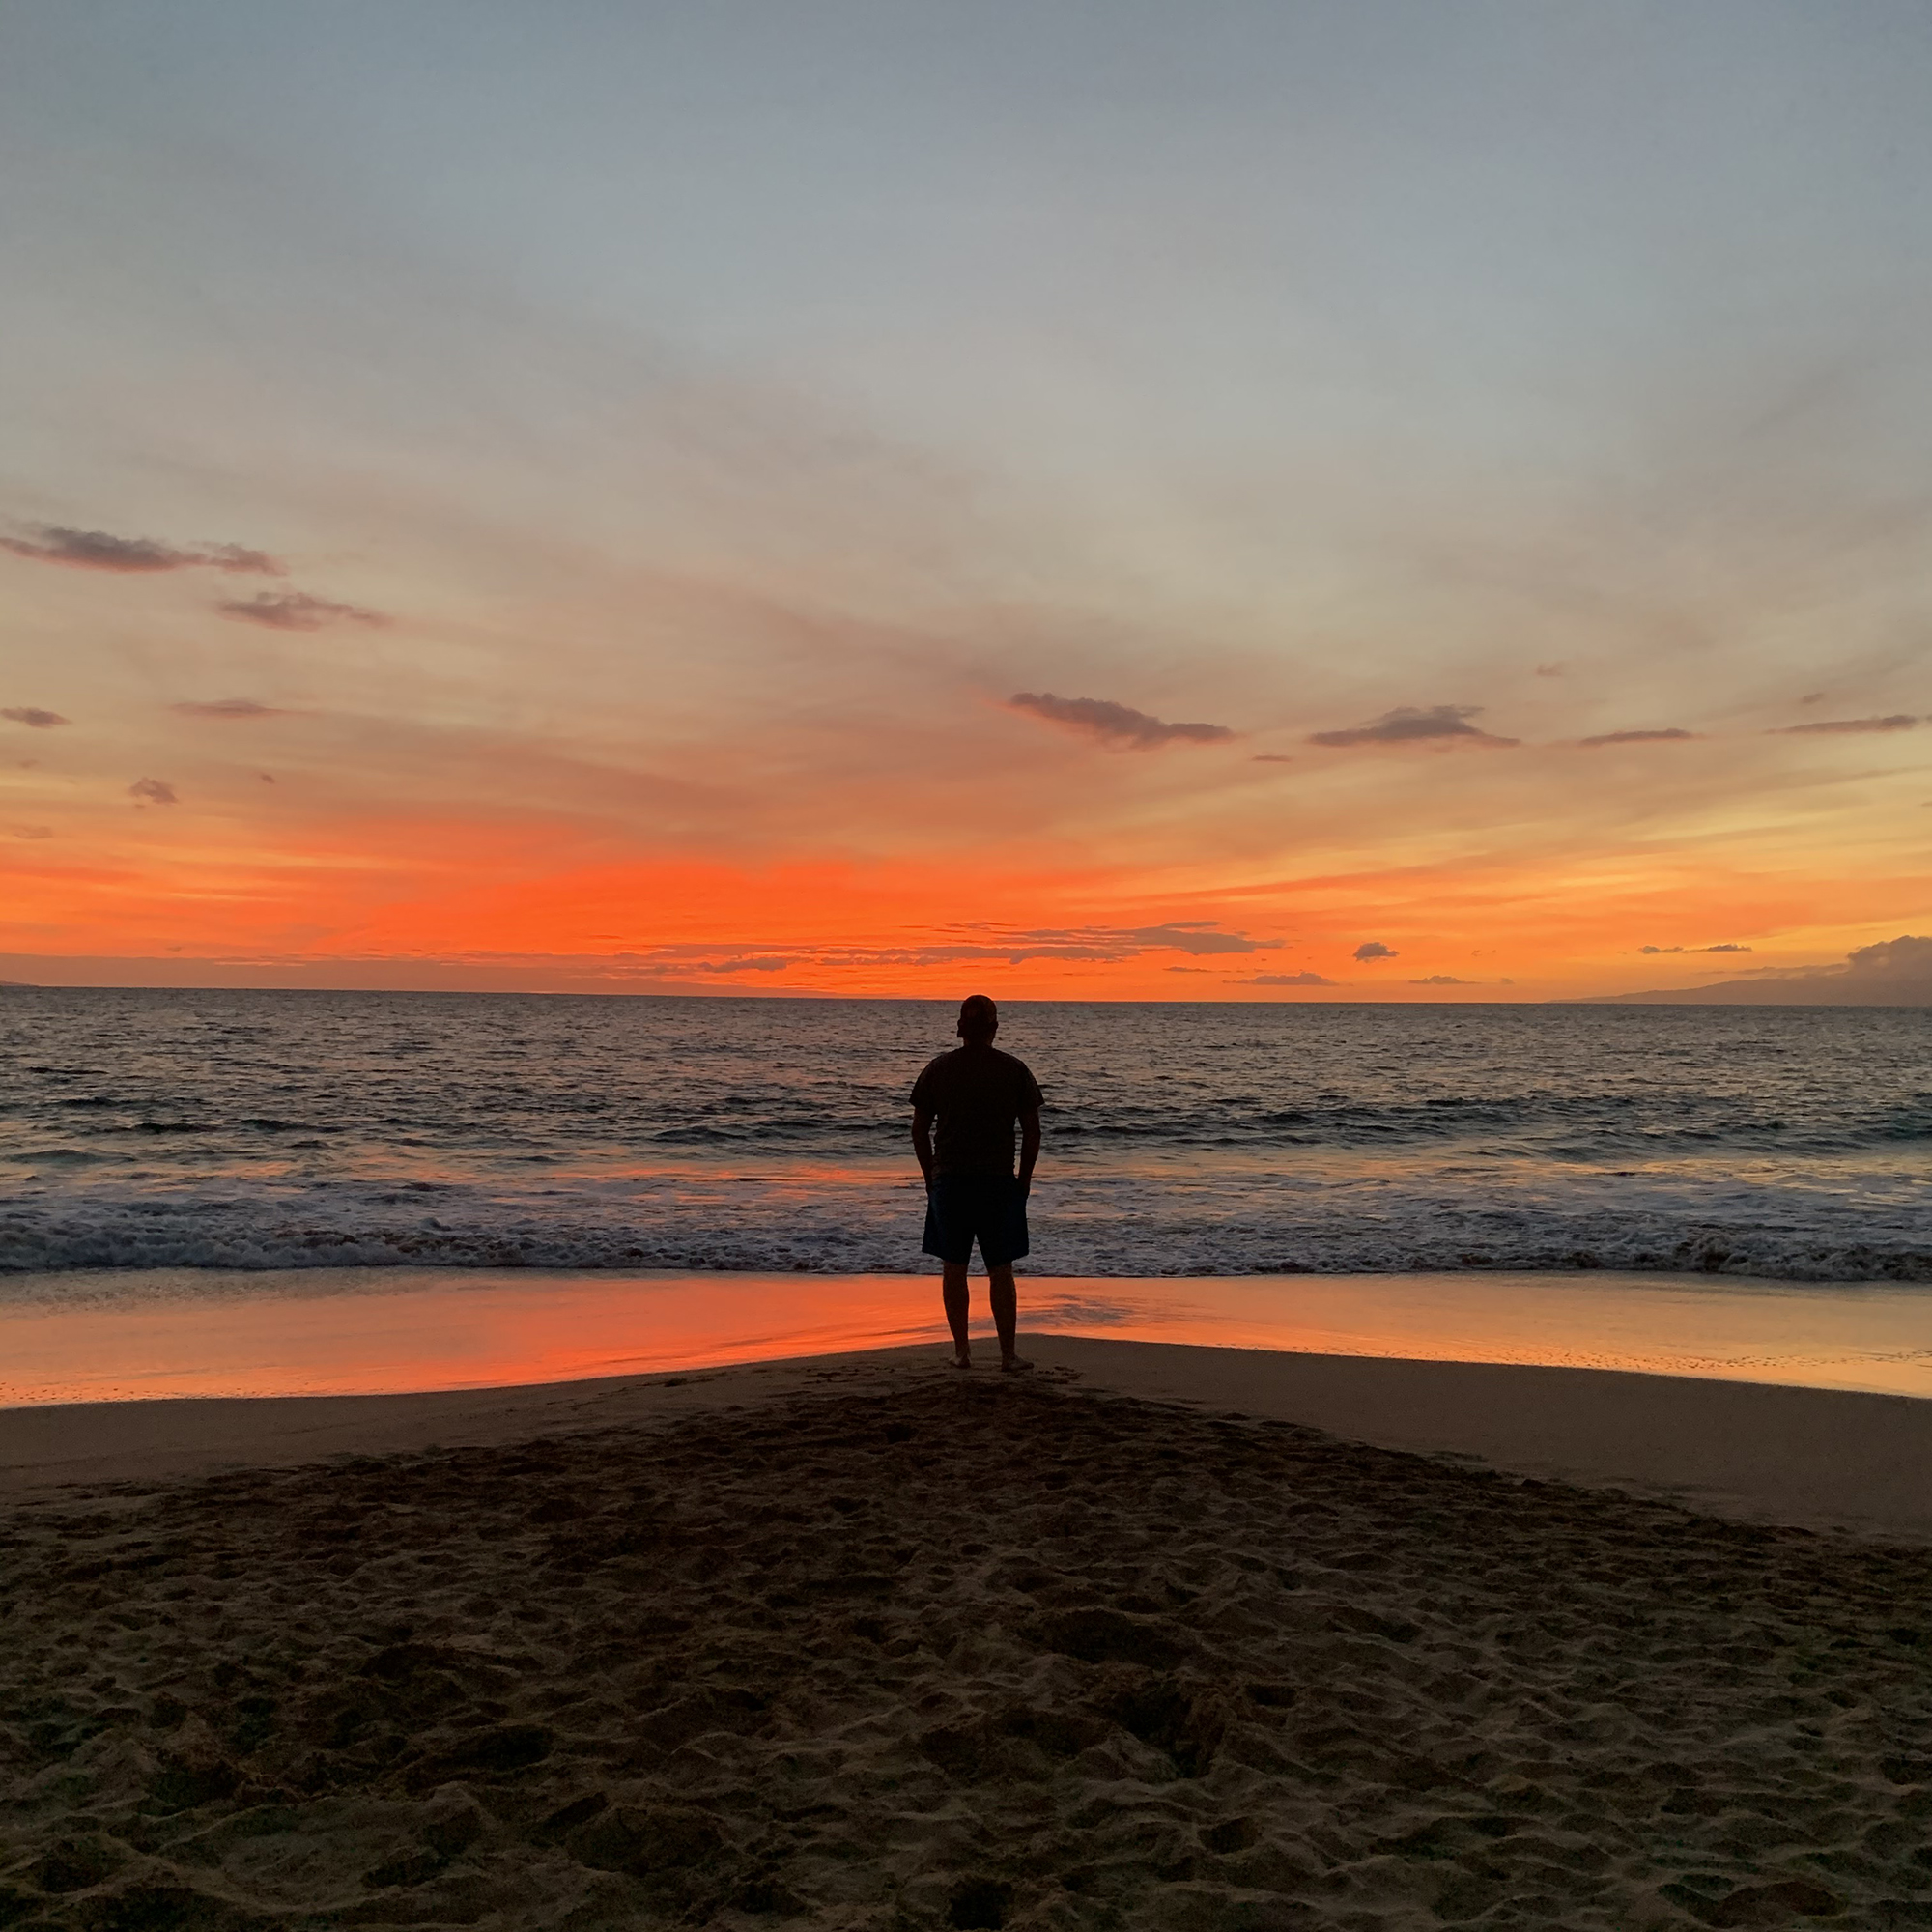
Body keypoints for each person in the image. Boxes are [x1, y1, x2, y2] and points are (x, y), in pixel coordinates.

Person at [910, 994, 1042, 1372]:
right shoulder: (1013, 1069)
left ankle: (962, 1352)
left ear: (960, 1029)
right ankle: (1007, 1355)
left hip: (950, 1182)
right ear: (994, 1029)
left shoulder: (938, 1068)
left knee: (954, 1267)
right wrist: (1024, 1178)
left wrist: (929, 1174)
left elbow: (919, 1129)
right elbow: (1032, 1132)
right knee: (1001, 1269)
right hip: (998, 1182)